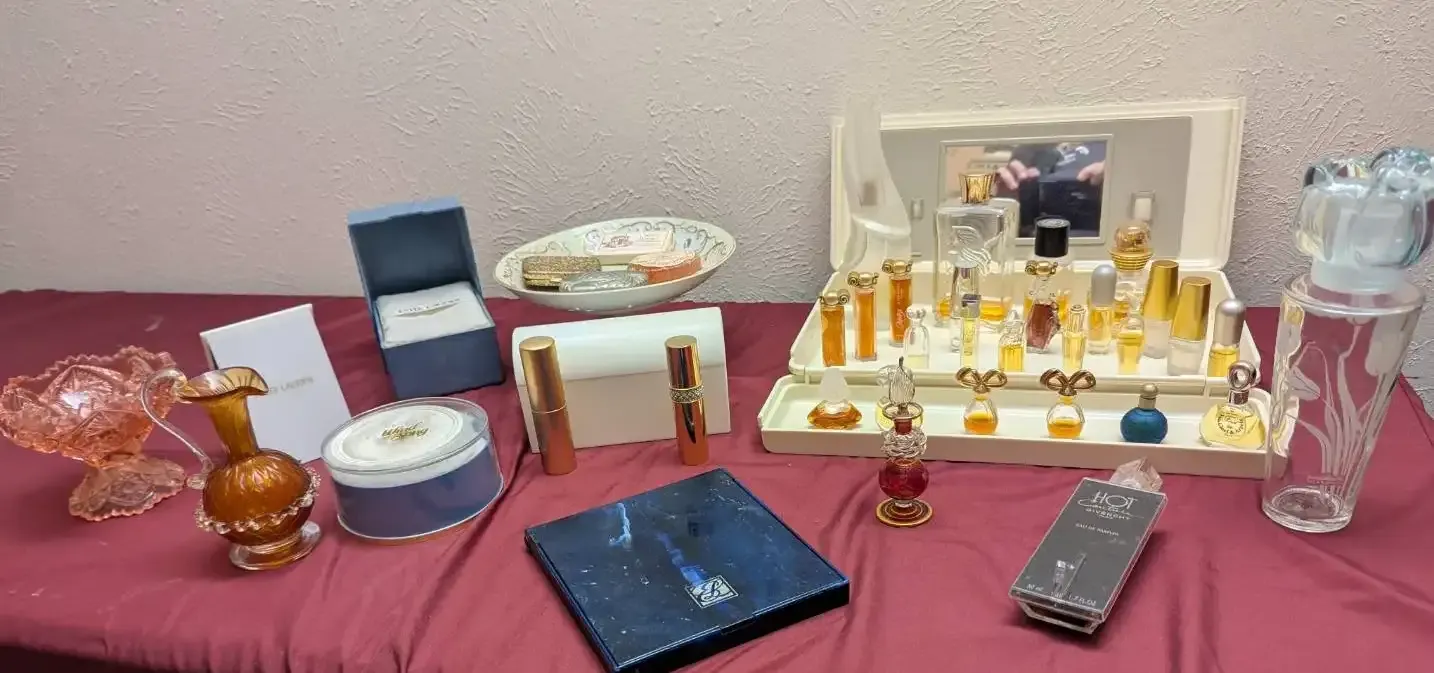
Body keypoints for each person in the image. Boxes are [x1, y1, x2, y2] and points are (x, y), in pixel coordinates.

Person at [995, 142, 1106, 237]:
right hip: (1035, 239)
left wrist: (1113, 172)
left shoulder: (1112, 144)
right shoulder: (1028, 149)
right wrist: (1001, 202)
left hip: (1096, 235)